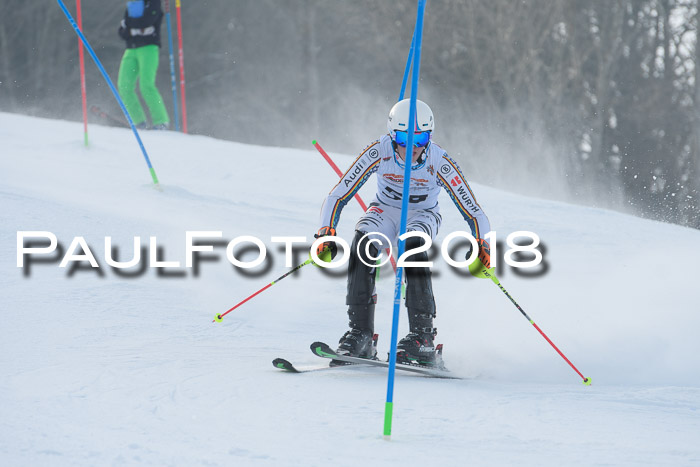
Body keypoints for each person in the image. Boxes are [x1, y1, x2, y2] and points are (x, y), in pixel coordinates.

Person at [314, 99, 492, 367]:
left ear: (429, 136)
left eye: (420, 138)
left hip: (423, 215)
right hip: (385, 210)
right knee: (363, 240)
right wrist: (324, 233)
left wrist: (482, 244)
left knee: (412, 244)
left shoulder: (439, 161)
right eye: (403, 137)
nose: (411, 147)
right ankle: (360, 333)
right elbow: (339, 194)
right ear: (391, 134)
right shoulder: (379, 151)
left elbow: (474, 211)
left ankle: (422, 337)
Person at [117, 0, 170, 130]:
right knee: (124, 86)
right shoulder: (133, 3)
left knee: (146, 85)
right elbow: (122, 31)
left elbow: (147, 21)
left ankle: (161, 121)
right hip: (131, 49)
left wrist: (130, 26)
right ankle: (138, 121)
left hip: (149, 48)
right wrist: (133, 28)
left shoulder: (154, 3)